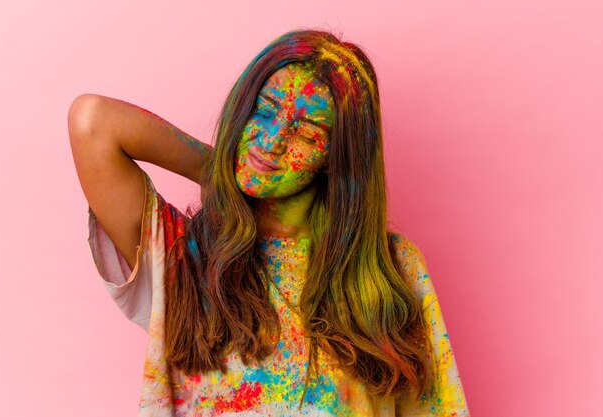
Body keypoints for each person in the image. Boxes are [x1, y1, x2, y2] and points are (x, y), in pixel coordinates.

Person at [68, 29, 469, 416]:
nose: (273, 139)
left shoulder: (390, 269)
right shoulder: (185, 257)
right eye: (265, 109)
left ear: (334, 158)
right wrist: (220, 172)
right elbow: (93, 121)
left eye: (306, 133)